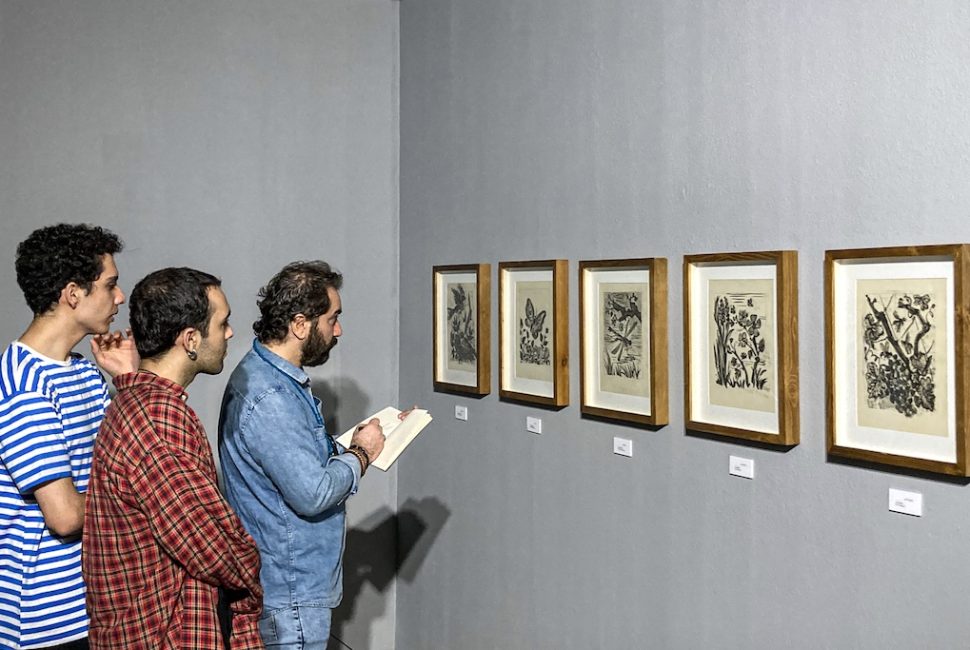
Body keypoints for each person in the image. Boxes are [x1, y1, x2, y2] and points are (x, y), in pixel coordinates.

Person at [82, 268, 263, 649]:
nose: (230, 333)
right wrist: (249, 562)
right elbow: (207, 543)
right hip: (165, 635)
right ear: (191, 339)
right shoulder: (157, 419)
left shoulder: (138, 404)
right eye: (222, 323)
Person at [218, 260, 387, 648]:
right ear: (299, 324)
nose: (337, 330)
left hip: (284, 588)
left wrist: (347, 448)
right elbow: (313, 494)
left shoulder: (264, 374)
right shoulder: (273, 396)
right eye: (332, 318)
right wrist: (362, 454)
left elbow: (293, 463)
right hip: (289, 594)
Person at [0, 223, 137, 650]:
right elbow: (64, 516)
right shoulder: (24, 384)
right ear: (73, 294)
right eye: (110, 285)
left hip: (95, 608)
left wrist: (127, 379)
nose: (120, 297)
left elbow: (126, 460)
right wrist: (140, 496)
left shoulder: (84, 371)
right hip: (45, 625)